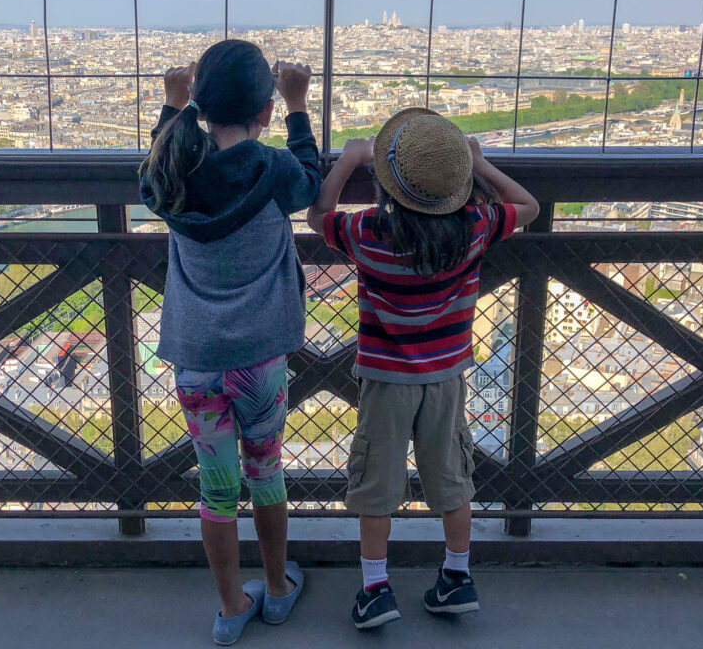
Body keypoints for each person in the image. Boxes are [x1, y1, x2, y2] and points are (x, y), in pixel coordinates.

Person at [306, 107, 539, 629]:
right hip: (445, 378)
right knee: (452, 480)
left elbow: (318, 218)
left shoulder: (369, 231)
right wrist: (479, 164)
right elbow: (528, 205)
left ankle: (375, 588)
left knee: (377, 487)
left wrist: (348, 160)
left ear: (391, 185)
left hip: (385, 378)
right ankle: (457, 576)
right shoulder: (475, 227)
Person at [139, 39, 320, 645]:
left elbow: (151, 172)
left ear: (200, 102)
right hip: (260, 355)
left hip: (196, 357)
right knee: (265, 472)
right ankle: (276, 590)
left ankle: (228, 606)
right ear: (265, 112)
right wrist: (299, 108)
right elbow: (310, 187)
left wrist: (171, 104)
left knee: (215, 487)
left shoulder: (174, 173)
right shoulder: (273, 170)